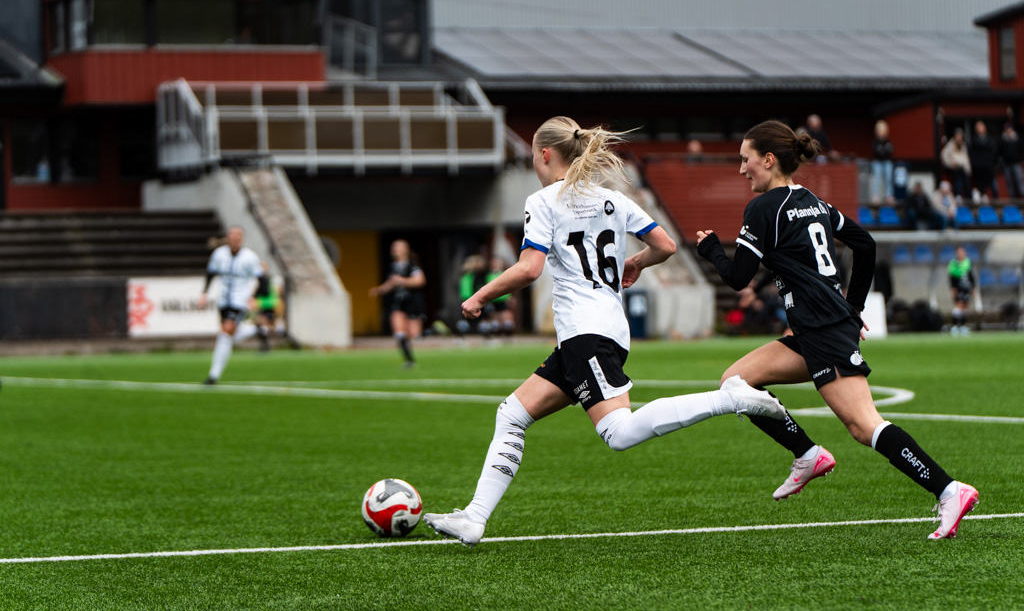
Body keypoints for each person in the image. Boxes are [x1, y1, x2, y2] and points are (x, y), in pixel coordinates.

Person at [423, 116, 786, 547]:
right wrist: (636, 263)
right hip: (603, 331)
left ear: (543, 155)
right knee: (512, 414)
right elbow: (666, 246)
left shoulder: (542, 201)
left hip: (584, 332)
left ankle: (731, 398)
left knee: (617, 432)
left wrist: (480, 296)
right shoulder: (611, 198)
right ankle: (474, 517)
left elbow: (529, 268)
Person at [695, 119, 978, 539]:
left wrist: (710, 249)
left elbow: (738, 277)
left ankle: (949, 490)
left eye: (745, 159)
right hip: (816, 329)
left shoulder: (763, 208)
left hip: (823, 330)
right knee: (736, 381)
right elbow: (865, 243)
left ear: (768, 160)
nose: (742, 169)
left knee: (865, 426)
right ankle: (807, 453)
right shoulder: (814, 202)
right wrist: (854, 307)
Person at [199, 226, 268, 385]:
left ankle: (213, 375)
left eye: (238, 236)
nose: (235, 239)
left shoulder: (250, 257)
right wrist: (204, 293)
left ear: (242, 238)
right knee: (227, 336)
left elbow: (262, 279)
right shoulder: (219, 254)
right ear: (228, 238)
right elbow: (210, 273)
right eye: (232, 235)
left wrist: (255, 298)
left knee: (226, 332)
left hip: (239, 302)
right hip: (223, 301)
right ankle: (255, 329)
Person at [370, 239, 426, 368]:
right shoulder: (394, 266)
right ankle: (409, 361)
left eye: (398, 247)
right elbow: (391, 282)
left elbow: (420, 280)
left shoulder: (413, 265)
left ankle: (432, 330)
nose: (395, 250)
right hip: (399, 302)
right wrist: (379, 290)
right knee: (399, 333)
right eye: (393, 248)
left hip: (412, 302)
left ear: (405, 249)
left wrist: (403, 281)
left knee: (415, 336)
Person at [948, 246, 976, 336]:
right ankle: (955, 326)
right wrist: (953, 288)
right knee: (958, 305)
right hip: (958, 288)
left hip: (966, 287)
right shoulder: (954, 264)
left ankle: (963, 325)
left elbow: (971, 276)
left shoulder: (967, 263)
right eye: (960, 252)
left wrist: (973, 288)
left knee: (965, 305)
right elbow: (952, 277)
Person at [969, 121, 999, 202]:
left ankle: (993, 199)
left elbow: (994, 151)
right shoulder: (973, 139)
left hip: (989, 166)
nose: (980, 128)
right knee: (979, 182)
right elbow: (972, 152)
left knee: (992, 184)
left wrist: (992, 162)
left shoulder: (990, 139)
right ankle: (980, 194)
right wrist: (974, 163)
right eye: (978, 127)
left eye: (981, 126)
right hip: (978, 166)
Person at [940, 128, 971, 200]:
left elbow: (966, 159)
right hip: (954, 168)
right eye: (958, 136)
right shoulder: (950, 145)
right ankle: (957, 195)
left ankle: (968, 197)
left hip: (963, 168)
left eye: (960, 136)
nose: (959, 138)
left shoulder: (964, 146)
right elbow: (943, 155)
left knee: (966, 179)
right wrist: (950, 163)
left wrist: (969, 169)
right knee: (958, 178)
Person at [869, 120, 895, 204]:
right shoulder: (875, 141)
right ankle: (875, 196)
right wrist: (883, 151)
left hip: (887, 162)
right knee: (876, 179)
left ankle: (889, 196)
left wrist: (883, 151)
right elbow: (878, 152)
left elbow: (890, 151)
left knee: (888, 178)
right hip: (877, 162)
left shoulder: (888, 141)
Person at [998, 123, 1024, 199]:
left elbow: (1021, 150)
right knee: (1009, 183)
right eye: (1007, 129)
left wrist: (1022, 160)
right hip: (1006, 164)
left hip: (1016, 163)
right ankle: (1013, 199)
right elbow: (999, 152)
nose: (1008, 130)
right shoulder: (1002, 140)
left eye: (1009, 128)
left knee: (1019, 181)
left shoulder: (1017, 138)